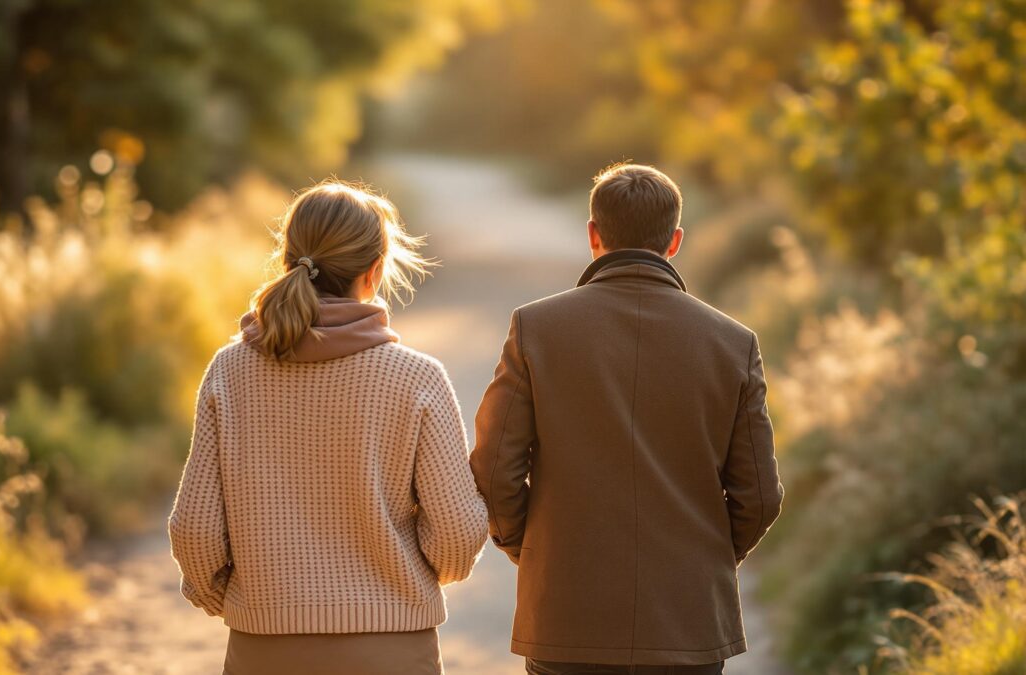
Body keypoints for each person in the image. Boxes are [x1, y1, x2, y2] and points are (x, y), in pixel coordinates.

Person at [471, 163, 784, 675]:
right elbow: (761, 496)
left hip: (566, 618)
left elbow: (493, 469)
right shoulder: (733, 342)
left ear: (593, 235)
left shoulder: (536, 328)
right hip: (689, 623)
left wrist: (533, 548)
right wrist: (701, 560)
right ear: (675, 241)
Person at [169, 179, 488, 675]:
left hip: (263, 651)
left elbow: (195, 529)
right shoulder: (418, 378)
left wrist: (241, 603)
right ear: (375, 271)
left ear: (287, 260)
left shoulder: (230, 371)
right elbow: (457, 533)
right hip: (393, 651)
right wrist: (409, 584)